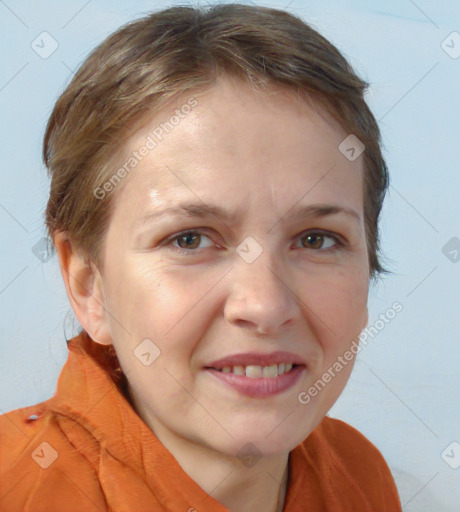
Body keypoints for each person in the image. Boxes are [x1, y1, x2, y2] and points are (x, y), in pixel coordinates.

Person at [0, 4, 402, 511]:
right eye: (189, 239)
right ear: (89, 285)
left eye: (317, 239)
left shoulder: (358, 475)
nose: (264, 304)